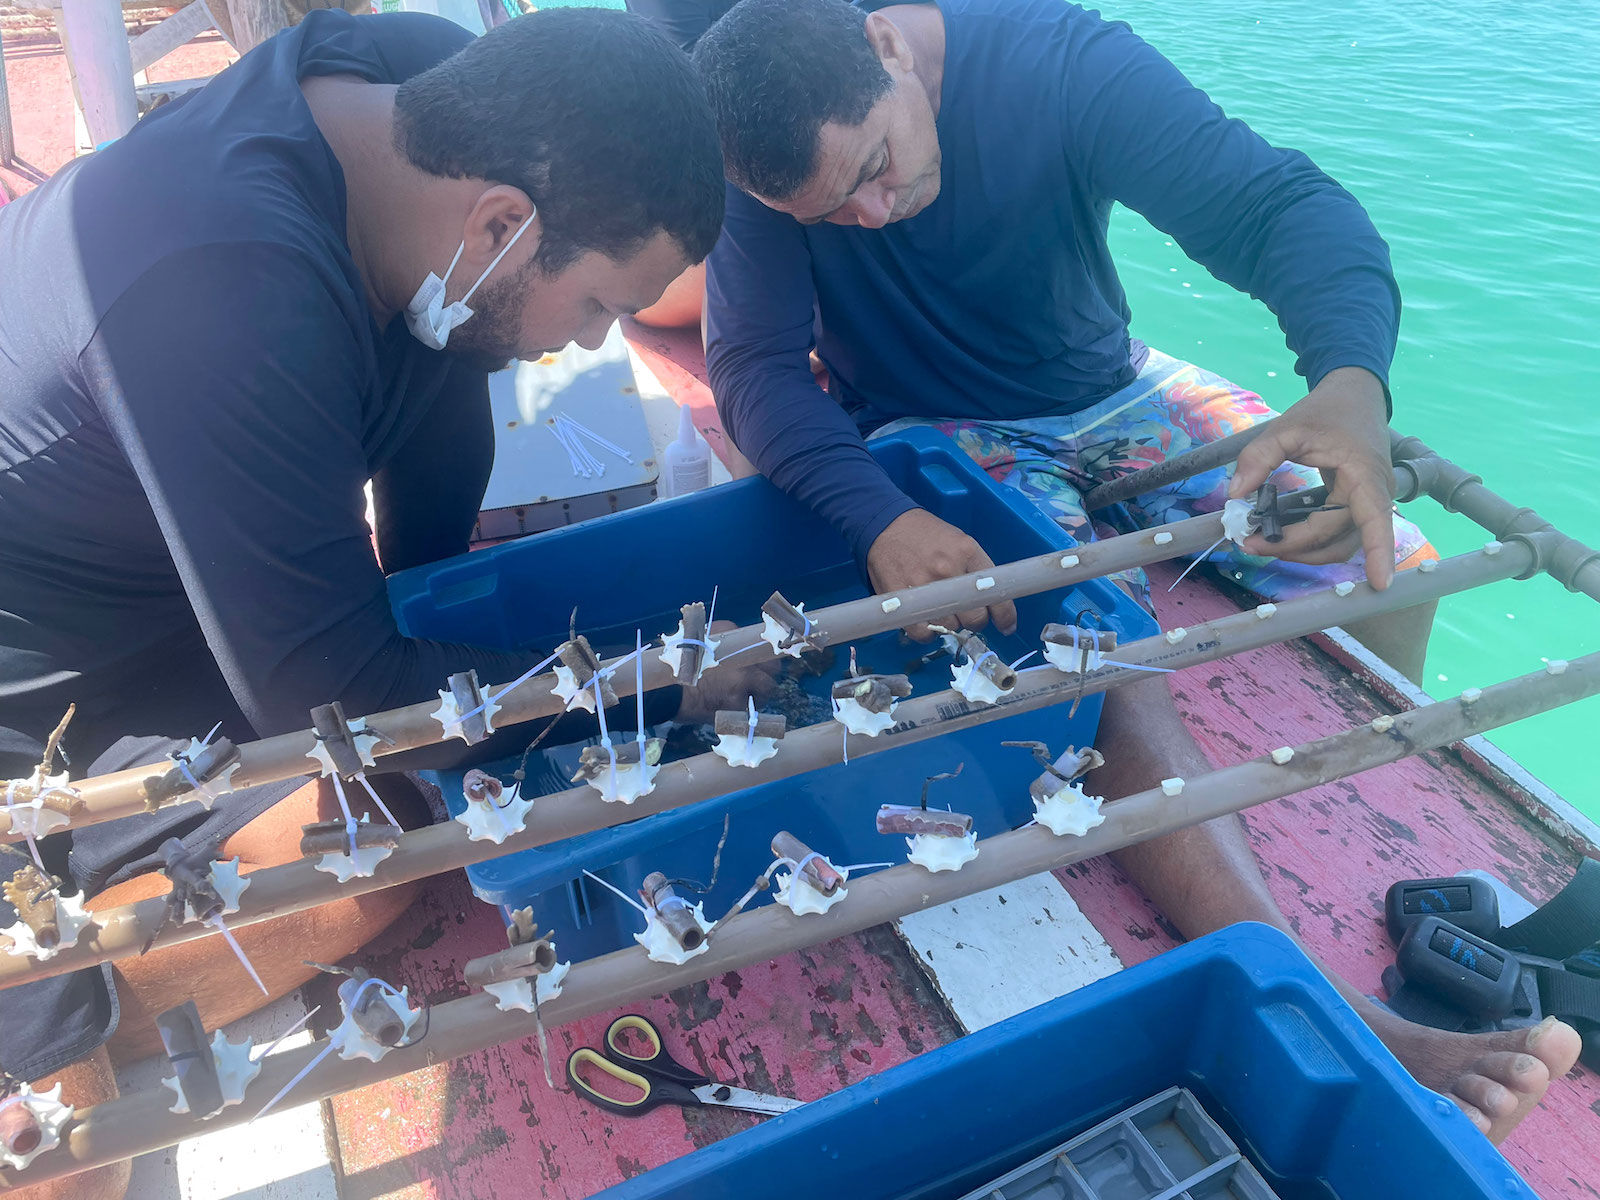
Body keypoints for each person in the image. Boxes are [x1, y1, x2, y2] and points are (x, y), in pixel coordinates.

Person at [690, 0, 1582, 1144]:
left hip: (1120, 391)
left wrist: (1351, 383)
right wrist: (875, 516)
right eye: (834, 211)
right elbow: (754, 371)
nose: (867, 217)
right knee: (1100, 654)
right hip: (938, 433)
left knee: (1395, 561)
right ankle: (1313, 982)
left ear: (888, 45)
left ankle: (1397, 871)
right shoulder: (757, 161)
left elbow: (1276, 207)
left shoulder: (1062, 57)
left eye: (877, 168)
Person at [0, 11, 768, 1198]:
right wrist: (652, 676)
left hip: (175, 566)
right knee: (365, 853)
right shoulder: (215, 293)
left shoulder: (416, 87)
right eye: (601, 306)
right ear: (503, 226)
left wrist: (444, 616)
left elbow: (445, 371)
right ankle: (51, 1011)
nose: (592, 345)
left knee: (403, 793)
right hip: (43, 679)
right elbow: (336, 695)